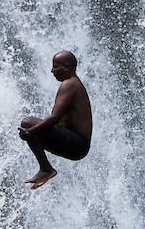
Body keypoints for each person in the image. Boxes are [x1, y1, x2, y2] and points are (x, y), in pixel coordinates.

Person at [18, 51, 93, 189]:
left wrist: (30, 132)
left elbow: (55, 118)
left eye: (55, 66)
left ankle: (46, 169)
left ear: (66, 67)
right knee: (32, 127)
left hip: (78, 143)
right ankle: (45, 169)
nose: (52, 70)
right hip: (78, 145)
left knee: (27, 123)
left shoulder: (70, 84)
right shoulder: (74, 83)